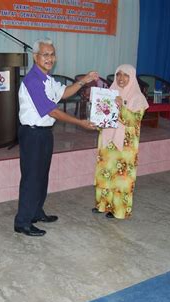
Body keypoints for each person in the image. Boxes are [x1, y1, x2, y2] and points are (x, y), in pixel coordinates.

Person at [15, 38, 98, 236]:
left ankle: (36, 211)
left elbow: (63, 93)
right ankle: (22, 222)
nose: (49, 58)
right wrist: (80, 123)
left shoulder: (47, 79)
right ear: (35, 57)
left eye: (52, 54)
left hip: (44, 134)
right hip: (32, 134)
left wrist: (83, 81)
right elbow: (51, 111)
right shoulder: (33, 80)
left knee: (42, 175)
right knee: (31, 177)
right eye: (45, 54)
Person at [92, 64, 149, 219]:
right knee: (105, 174)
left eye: (125, 75)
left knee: (121, 178)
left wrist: (120, 106)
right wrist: (97, 116)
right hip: (108, 141)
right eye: (118, 74)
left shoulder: (138, 98)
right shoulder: (110, 92)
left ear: (132, 78)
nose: (121, 78)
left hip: (125, 144)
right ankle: (103, 205)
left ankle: (118, 210)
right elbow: (103, 115)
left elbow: (133, 120)